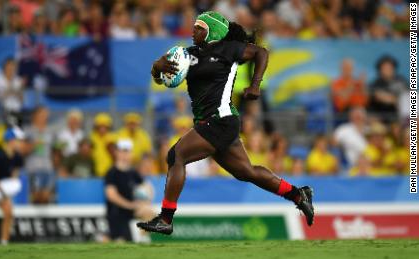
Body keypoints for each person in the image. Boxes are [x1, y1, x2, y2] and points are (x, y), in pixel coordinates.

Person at [137, 11, 314, 235]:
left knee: (176, 156)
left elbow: (261, 52)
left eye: (199, 27)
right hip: (213, 122)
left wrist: (255, 84)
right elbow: (164, 80)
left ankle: (165, 218)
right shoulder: (188, 54)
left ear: (213, 31)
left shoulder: (229, 49)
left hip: (220, 120)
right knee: (246, 172)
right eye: (193, 27)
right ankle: (298, 194)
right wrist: (157, 67)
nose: (193, 31)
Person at [104, 139, 152, 242]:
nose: (125, 155)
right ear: (117, 153)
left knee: (150, 213)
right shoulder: (112, 172)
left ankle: (141, 238)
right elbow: (111, 195)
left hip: (131, 211)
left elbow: (147, 187)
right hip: (116, 213)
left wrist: (145, 202)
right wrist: (130, 205)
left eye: (127, 151)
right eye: (122, 151)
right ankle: (105, 238)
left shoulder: (133, 172)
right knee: (119, 243)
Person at [24, 106, 55, 204]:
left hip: (48, 168)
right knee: (36, 197)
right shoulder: (27, 130)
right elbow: (23, 150)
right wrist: (33, 145)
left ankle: (46, 219)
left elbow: (54, 150)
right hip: (34, 168)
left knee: (46, 198)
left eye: (46, 115)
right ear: (35, 116)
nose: (44, 117)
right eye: (42, 114)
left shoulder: (51, 131)